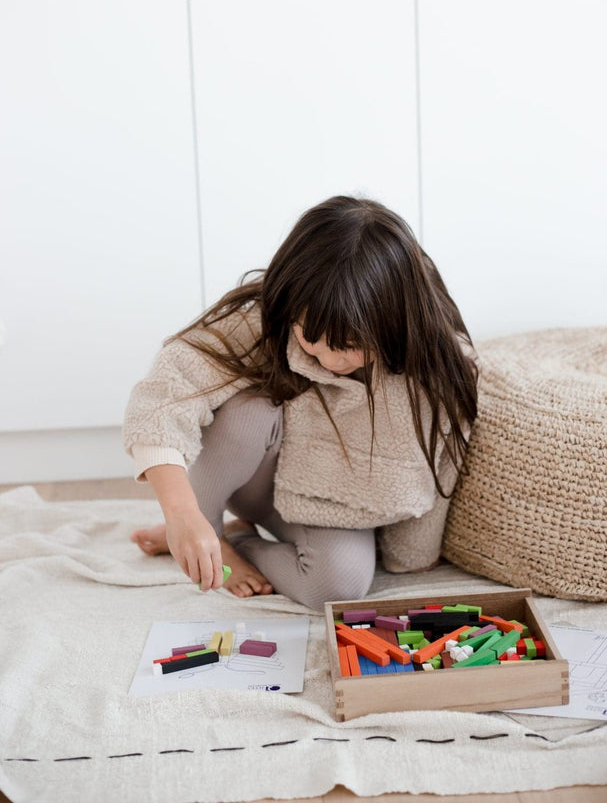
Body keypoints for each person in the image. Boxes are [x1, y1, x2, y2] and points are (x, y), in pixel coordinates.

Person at [124, 196, 478, 611]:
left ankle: (233, 540)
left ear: (394, 323)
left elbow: (442, 465)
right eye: (310, 338)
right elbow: (163, 398)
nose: (327, 360)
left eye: (347, 347)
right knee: (248, 411)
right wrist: (182, 514)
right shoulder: (265, 321)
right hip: (255, 473)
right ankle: (199, 531)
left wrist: (411, 557)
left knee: (339, 585)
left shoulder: (442, 368)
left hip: (330, 502)